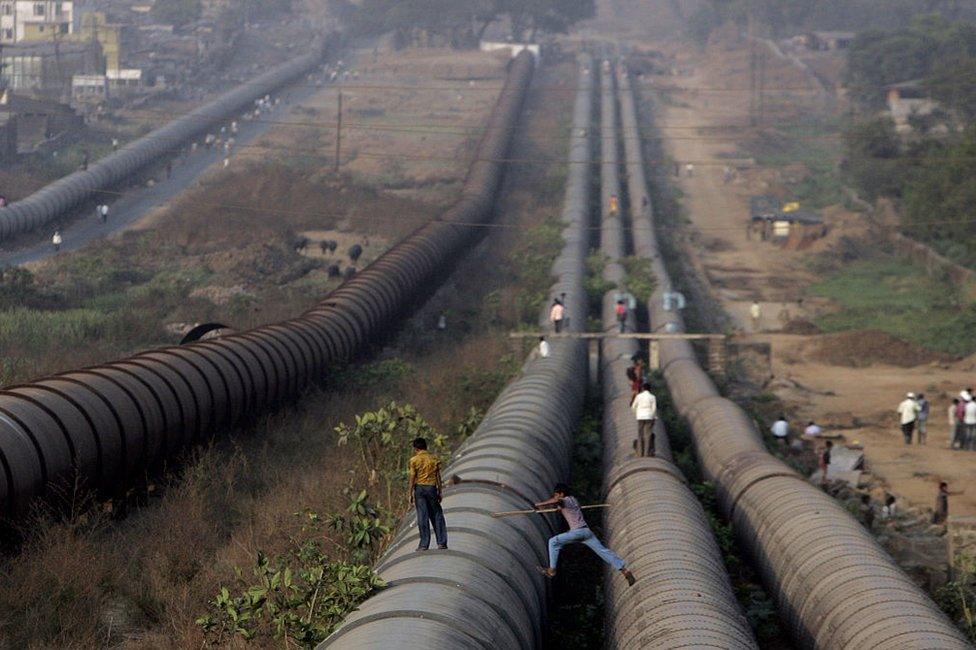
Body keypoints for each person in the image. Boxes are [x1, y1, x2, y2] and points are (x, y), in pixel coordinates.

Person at [534, 483, 636, 586]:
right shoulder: (573, 500)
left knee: (553, 542)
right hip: (587, 533)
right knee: (604, 552)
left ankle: (552, 570)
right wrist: (558, 509)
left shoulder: (566, 500)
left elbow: (557, 501)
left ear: (561, 494)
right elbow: (563, 506)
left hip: (577, 532)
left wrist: (539, 504)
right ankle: (624, 570)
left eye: (556, 494)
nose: (555, 496)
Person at [407, 437, 447, 551]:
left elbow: (412, 477)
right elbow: (438, 476)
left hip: (419, 488)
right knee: (437, 514)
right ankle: (441, 542)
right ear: (426, 447)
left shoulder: (414, 460)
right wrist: (440, 490)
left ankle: (424, 544)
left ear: (416, 449)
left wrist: (410, 493)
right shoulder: (433, 458)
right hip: (431, 487)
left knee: (422, 516)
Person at [631, 383, 657, 457]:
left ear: (642, 389)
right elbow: (654, 409)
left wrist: (637, 414)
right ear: (650, 389)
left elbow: (633, 407)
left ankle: (640, 453)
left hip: (640, 417)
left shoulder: (638, 397)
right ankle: (647, 453)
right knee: (648, 435)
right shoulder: (652, 397)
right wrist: (654, 417)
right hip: (649, 416)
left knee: (640, 434)